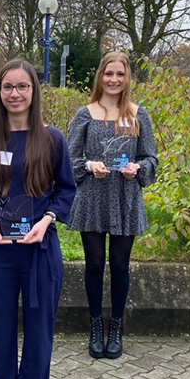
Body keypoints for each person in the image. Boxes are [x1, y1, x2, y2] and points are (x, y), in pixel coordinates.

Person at [0, 59, 76, 379]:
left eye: (22, 86)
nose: (15, 94)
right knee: (2, 336)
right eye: (8, 87)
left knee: (40, 336)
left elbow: (66, 190)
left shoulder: (53, 138)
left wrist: (47, 219)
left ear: (34, 91)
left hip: (40, 249)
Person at [66, 51, 158, 359]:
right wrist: (89, 165)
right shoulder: (84, 114)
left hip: (124, 197)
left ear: (128, 77)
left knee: (120, 265)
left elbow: (150, 158)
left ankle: (116, 327)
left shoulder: (137, 114)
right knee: (93, 264)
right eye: (109, 74)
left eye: (120, 74)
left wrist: (139, 169)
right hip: (92, 197)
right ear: (100, 77)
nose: (114, 80)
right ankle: (95, 325)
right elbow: (69, 159)